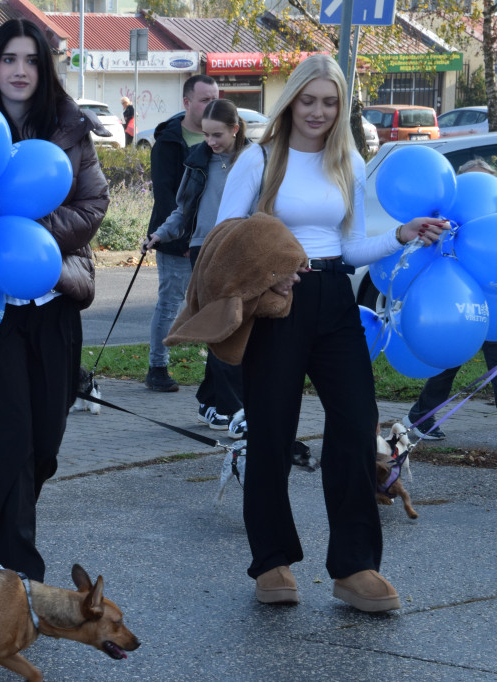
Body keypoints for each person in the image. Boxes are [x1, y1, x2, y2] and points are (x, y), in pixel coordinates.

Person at [215, 54, 448, 611]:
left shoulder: (347, 163)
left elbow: (348, 248)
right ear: (292, 99)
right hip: (276, 303)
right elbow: (224, 239)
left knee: (355, 423)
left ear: (341, 107)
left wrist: (400, 234)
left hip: (334, 298)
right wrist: (270, 265)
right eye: (309, 99)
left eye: (329, 101)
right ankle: (270, 561)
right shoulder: (261, 159)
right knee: (272, 431)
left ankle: (354, 566)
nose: (318, 111)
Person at [0, 19, 109, 581]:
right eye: (8, 59)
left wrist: (28, 228)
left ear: (44, 69)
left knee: (42, 444)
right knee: (5, 443)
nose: (19, 70)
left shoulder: (70, 128)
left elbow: (93, 205)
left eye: (30, 60)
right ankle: (8, 576)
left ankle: (8, 545)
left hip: (54, 301)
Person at [143, 98, 249, 439]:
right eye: (206, 135)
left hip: (242, 248)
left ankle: (208, 400)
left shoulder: (254, 161)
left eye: (217, 135)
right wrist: (161, 233)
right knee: (225, 328)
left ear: (235, 129)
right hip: (205, 250)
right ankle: (229, 407)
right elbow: (183, 209)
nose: (211, 142)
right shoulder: (199, 161)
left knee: (229, 328)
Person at [403, 158, 497, 440]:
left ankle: (421, 414)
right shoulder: (444, 223)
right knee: (447, 361)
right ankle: (421, 415)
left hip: (492, 302)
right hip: (457, 302)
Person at [145, 75, 219, 396]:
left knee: (216, 305)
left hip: (213, 241)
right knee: (171, 303)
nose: (210, 105)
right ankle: (157, 366)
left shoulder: (219, 138)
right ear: (187, 103)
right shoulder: (169, 142)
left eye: (215, 98)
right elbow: (165, 198)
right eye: (204, 99)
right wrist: (183, 240)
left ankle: (219, 370)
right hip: (178, 243)